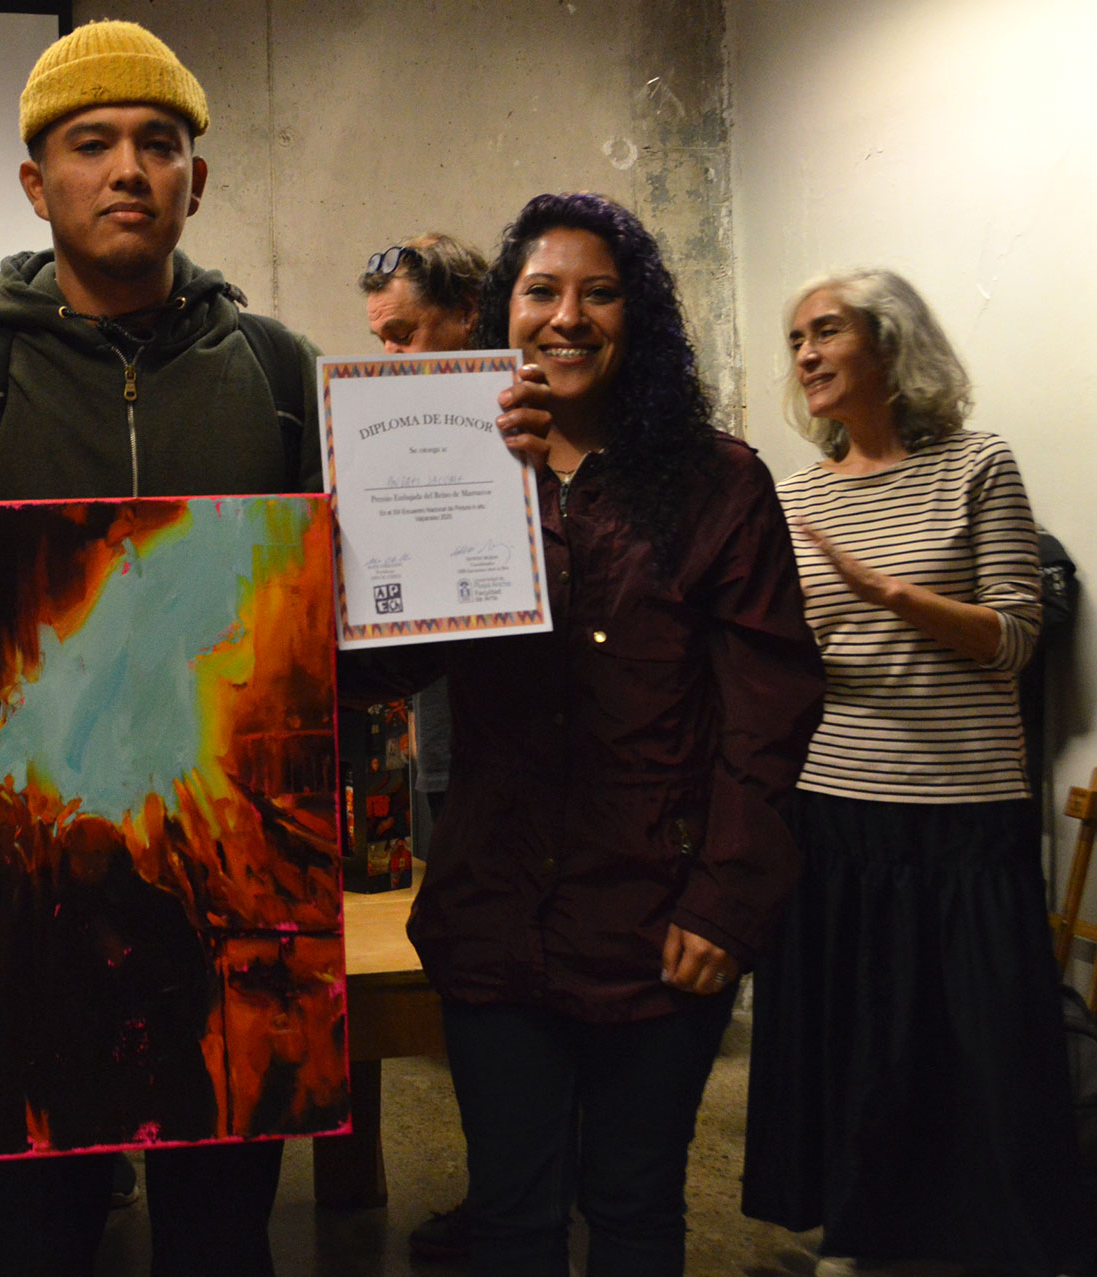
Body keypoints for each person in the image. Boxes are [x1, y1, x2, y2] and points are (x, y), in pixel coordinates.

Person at [0, 19, 319, 1276]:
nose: (128, 170)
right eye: (91, 143)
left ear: (196, 182)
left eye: (159, 144)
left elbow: (350, 629)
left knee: (222, 1236)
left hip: (228, 892)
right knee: (31, 1234)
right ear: (35, 181)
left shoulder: (278, 374)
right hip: (17, 893)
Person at [347, 192, 824, 1276]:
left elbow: (769, 712)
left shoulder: (718, 484)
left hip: (659, 926)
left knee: (634, 1207)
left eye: (599, 293)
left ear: (635, 315)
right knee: (512, 1218)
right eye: (542, 291)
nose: (568, 316)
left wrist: (727, 899)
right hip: (494, 919)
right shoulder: (462, 466)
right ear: (502, 315)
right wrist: (378, 520)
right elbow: (376, 671)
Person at [741, 270, 1086, 1275]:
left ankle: (1000, 1243)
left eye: (827, 331)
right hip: (836, 806)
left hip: (962, 805)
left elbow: (1014, 636)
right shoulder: (795, 494)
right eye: (795, 338)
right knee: (863, 1040)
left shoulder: (977, 466)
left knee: (980, 1046)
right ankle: (863, 1231)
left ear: (890, 345)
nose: (806, 354)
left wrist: (887, 591)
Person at [357, 231, 487, 1263]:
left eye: (404, 335)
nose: (391, 358)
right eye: (380, 341)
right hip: (449, 728)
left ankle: (546, 1189)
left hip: (551, 746)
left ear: (467, 317)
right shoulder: (393, 435)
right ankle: (507, 1189)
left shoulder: (535, 425)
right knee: (475, 973)